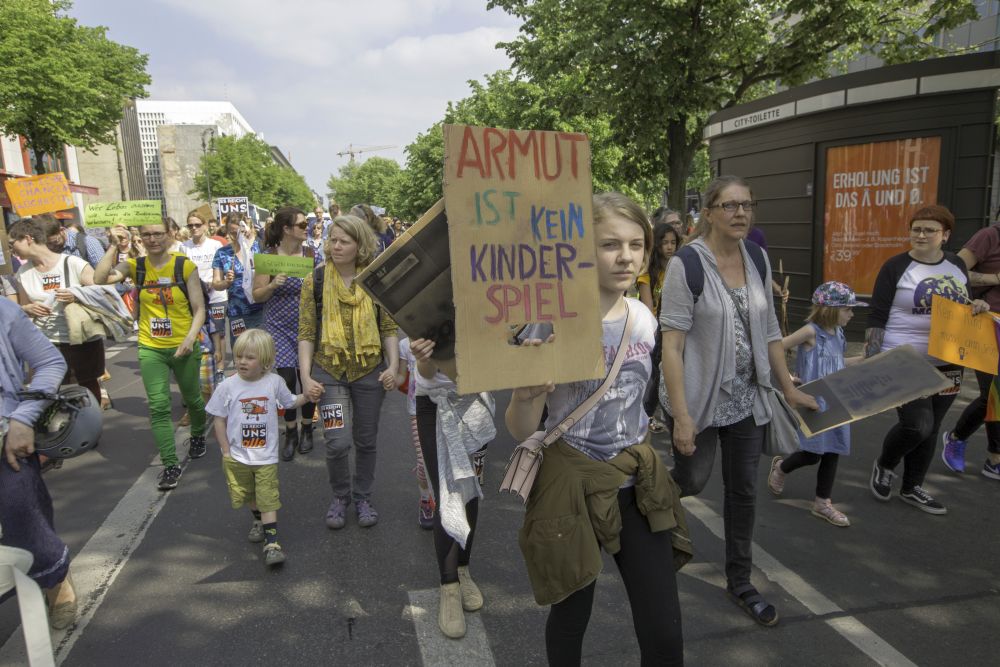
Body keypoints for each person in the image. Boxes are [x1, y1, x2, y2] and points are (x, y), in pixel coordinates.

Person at [507, 192, 689, 665]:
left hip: (637, 486)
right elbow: (520, 426)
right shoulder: (549, 320)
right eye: (610, 244)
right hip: (571, 488)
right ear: (580, 250)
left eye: (636, 244)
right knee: (570, 620)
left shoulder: (645, 319)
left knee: (664, 634)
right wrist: (527, 395)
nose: (626, 256)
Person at [660, 175, 817, 627]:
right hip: (698, 400)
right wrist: (682, 418)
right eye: (729, 206)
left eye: (747, 205)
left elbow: (769, 331)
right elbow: (671, 347)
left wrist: (787, 387)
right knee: (690, 482)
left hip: (748, 400)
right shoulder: (686, 264)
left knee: (743, 492)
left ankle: (741, 582)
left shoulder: (758, 258)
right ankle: (644, 511)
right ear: (708, 213)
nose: (740, 213)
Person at [866, 205, 989, 514]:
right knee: (917, 425)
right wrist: (873, 360)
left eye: (929, 230)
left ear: (945, 235)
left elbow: (963, 304)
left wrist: (977, 305)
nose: (920, 235)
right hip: (903, 360)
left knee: (933, 428)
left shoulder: (957, 265)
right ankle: (885, 464)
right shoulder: (895, 267)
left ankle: (911, 487)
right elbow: (876, 318)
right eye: (916, 229)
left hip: (948, 361)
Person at [299, 215, 399, 529]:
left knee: (366, 440)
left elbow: (388, 327)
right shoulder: (314, 280)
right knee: (337, 442)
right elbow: (306, 332)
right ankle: (341, 496)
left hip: (370, 373)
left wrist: (394, 366)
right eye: (333, 240)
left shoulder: (374, 280)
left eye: (344, 241)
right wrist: (306, 376)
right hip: (328, 372)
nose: (336, 246)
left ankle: (363, 496)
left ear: (360, 245)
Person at [94, 219, 208, 491]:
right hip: (150, 346)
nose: (153, 239)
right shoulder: (136, 266)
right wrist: (113, 245)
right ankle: (170, 464)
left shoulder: (184, 266)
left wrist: (190, 339)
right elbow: (99, 279)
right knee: (158, 406)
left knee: (193, 398)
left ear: (169, 235)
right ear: (140, 238)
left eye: (158, 234)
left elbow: (199, 308)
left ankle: (197, 436)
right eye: (146, 235)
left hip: (185, 345)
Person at [206, 329, 318, 567]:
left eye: (249, 357)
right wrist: (226, 451)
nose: (242, 362)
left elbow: (290, 402)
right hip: (238, 456)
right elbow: (219, 419)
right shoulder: (227, 386)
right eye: (239, 357)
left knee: (267, 496)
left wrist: (307, 396)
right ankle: (257, 520)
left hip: (265, 456)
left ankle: (272, 543)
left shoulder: (274, 382)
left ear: (266, 362)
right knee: (249, 495)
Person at [406, 336, 492, 639]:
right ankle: (449, 586)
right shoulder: (422, 295)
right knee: (448, 491)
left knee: (472, 490)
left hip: (476, 404)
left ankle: (463, 570)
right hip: (435, 405)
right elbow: (426, 374)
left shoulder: (481, 293)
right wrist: (424, 359)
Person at [1, 298, 78, 630]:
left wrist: (23, 419)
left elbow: (49, 362)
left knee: (25, 521)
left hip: (6, 438)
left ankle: (55, 580)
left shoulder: (3, 310)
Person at [767, 281, 865, 526]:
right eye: (848, 309)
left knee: (833, 452)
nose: (852, 315)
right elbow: (777, 348)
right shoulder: (811, 332)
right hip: (813, 402)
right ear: (830, 309)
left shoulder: (839, 334)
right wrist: (787, 376)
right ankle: (782, 467)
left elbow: (839, 362)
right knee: (812, 454)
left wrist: (863, 359)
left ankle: (823, 502)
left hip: (836, 401)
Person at [9, 218, 104, 402]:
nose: (12, 249)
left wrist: (75, 295)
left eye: (13, 243)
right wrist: (28, 308)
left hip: (80, 338)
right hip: (45, 342)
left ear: (28, 238)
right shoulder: (23, 273)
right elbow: (22, 306)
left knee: (89, 385)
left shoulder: (73, 263)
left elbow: (101, 291)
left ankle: (93, 423)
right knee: (46, 391)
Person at [252, 207, 319, 460]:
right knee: (288, 379)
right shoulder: (269, 257)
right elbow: (256, 295)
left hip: (306, 325)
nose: (307, 228)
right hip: (278, 326)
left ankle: (307, 428)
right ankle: (290, 430)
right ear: (286, 229)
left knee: (308, 378)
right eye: (302, 225)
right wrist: (271, 285)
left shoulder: (311, 254)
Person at [941, 220, 1000, 480]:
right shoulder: (990, 235)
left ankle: (960, 437)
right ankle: (991, 457)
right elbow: (955, 269)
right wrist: (995, 278)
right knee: (994, 394)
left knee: (996, 396)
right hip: (986, 323)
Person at [638, 224, 683, 434]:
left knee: (663, 377)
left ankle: (651, 416)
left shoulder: (681, 267)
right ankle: (646, 415)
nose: (669, 247)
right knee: (656, 377)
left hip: (675, 330)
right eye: (664, 242)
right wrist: (657, 332)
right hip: (656, 330)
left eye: (673, 242)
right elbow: (648, 308)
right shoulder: (648, 272)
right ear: (656, 245)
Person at [396, 337, 436, 529]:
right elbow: (401, 378)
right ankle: (425, 501)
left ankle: (444, 502)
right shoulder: (404, 345)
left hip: (445, 408)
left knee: (445, 459)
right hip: (417, 411)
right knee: (423, 463)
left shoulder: (442, 339)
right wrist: (390, 379)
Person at [182, 210, 226, 377]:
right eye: (190, 225)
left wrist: (213, 283)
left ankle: (220, 370)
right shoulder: (184, 247)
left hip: (216, 296)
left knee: (218, 332)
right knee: (199, 333)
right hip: (195, 298)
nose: (194, 228)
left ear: (205, 226)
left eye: (197, 225)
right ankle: (201, 371)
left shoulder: (215, 245)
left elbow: (222, 267)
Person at [212, 212, 263, 350]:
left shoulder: (258, 248)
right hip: (237, 312)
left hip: (261, 311)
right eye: (231, 232)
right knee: (240, 352)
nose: (234, 236)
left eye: (238, 232)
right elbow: (216, 284)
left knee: (261, 353)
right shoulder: (222, 253)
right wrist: (226, 282)